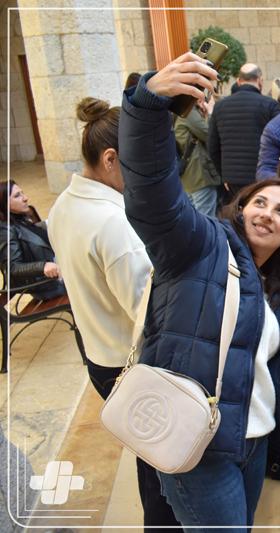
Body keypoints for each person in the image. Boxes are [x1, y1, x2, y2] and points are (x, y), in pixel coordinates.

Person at [118, 52, 280, 530]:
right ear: (241, 209)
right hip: (197, 441)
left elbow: (255, 351)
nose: (267, 214)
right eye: (259, 202)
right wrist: (146, 106)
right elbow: (152, 195)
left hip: (253, 440)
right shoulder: (201, 247)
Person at [47, 97, 176, 527]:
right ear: (110, 159)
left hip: (97, 352)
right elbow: (149, 310)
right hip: (128, 361)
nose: (147, 174)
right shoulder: (112, 223)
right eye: (140, 164)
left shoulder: (64, 205)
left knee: (147, 452)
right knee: (161, 467)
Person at [207, 63, 280, 203]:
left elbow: (212, 147)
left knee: (237, 213)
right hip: (262, 178)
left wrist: (224, 175)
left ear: (238, 81)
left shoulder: (220, 107)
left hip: (233, 180)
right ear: (260, 80)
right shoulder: (270, 105)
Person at [0, 181, 66, 300]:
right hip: (48, 284)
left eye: (22, 193)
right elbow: (12, 268)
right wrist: (42, 266)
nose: (25, 198)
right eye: (17, 196)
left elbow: (36, 235)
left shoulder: (21, 217)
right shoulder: (5, 231)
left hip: (58, 272)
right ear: (4, 203)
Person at [174, 100, 222, 217]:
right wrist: (210, 113)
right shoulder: (189, 112)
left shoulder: (178, 110)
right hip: (200, 176)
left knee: (193, 219)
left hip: (188, 178)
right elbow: (210, 134)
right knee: (206, 221)